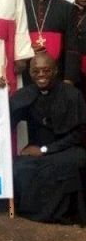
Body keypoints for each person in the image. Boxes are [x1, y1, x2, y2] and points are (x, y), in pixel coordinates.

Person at [10, 52, 86, 224]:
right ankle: (25, 212)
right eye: (36, 71)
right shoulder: (26, 94)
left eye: (46, 70)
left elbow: (79, 134)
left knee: (77, 161)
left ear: (55, 71)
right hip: (38, 148)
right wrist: (1, 92)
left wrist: (45, 150)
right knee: (20, 166)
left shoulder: (72, 95)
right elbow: (6, 117)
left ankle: (69, 214)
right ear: (30, 73)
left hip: (67, 148)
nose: (41, 75)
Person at [22, 0, 73, 85]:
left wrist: (69, 77)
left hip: (57, 72)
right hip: (26, 70)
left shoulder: (66, 7)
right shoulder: (20, 4)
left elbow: (71, 45)